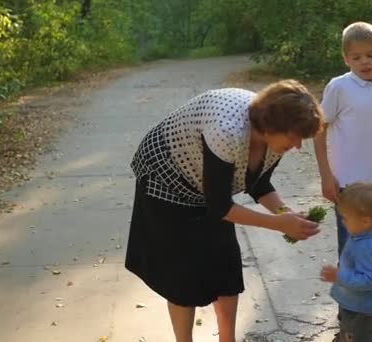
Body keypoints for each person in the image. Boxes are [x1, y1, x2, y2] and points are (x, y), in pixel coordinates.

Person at [125, 79, 324, 342]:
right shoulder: (227, 130)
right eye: (295, 137)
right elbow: (220, 206)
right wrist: (279, 224)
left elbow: (259, 183)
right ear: (272, 124)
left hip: (208, 186)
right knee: (183, 278)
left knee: (226, 269)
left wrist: (285, 214)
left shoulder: (276, 140)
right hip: (166, 176)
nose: (298, 145)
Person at [313, 21, 372, 329]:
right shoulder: (339, 87)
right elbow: (319, 129)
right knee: (351, 252)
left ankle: (370, 314)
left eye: (369, 55)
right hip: (348, 185)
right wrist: (326, 175)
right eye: (356, 57)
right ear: (346, 59)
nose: (364, 62)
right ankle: (350, 317)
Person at [320, 182, 372, 342]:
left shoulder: (367, 247)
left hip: (361, 311)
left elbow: (368, 281)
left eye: (345, 218)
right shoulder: (368, 235)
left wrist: (339, 275)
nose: (343, 222)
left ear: (365, 221)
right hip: (354, 304)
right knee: (347, 332)